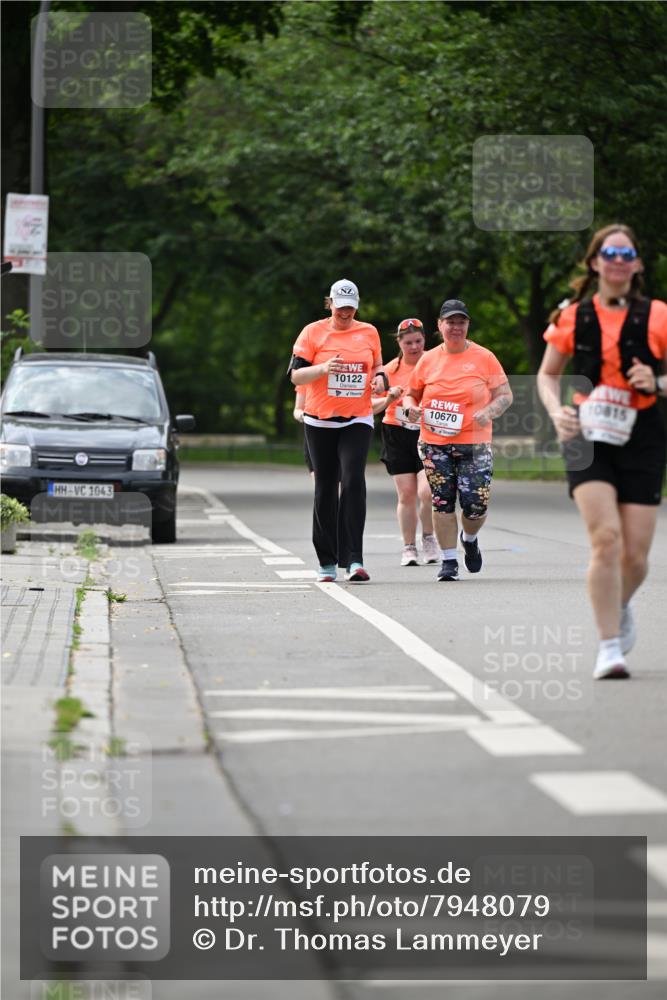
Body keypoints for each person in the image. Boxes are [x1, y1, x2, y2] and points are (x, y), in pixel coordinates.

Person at [537, 223, 667, 680]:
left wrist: (659, 382)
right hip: (586, 433)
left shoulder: (658, 315)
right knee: (606, 539)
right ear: (595, 263)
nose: (617, 260)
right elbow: (548, 375)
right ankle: (609, 646)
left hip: (643, 433)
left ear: (637, 264)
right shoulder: (573, 315)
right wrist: (556, 413)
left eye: (625, 253)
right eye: (608, 252)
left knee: (635, 555)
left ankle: (621, 602)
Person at [402, 299, 513, 581]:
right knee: (442, 502)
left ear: (467, 325)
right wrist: (411, 407)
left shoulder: (484, 357)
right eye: (450, 322)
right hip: (434, 442)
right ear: (440, 326)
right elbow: (411, 394)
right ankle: (449, 561)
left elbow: (505, 395)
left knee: (476, 505)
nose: (456, 327)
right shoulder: (428, 359)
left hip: (474, 443)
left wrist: (489, 411)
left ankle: (470, 538)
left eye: (461, 322)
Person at [288, 279, 385, 582]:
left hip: (358, 417)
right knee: (326, 487)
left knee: (354, 479)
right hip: (320, 420)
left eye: (350, 309)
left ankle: (354, 559)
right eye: (340, 308)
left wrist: (381, 380)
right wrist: (323, 369)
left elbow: (379, 368)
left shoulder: (368, 332)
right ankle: (327, 562)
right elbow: (295, 376)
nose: (345, 314)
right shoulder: (312, 332)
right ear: (329, 303)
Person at [376, 318, 439, 566]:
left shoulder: (434, 362)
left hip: (428, 432)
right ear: (399, 343)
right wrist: (388, 397)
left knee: (426, 492)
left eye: (418, 341)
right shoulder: (389, 370)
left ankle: (429, 537)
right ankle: (409, 547)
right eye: (408, 342)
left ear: (425, 340)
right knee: (406, 494)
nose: (414, 347)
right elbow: (373, 402)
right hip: (396, 432)